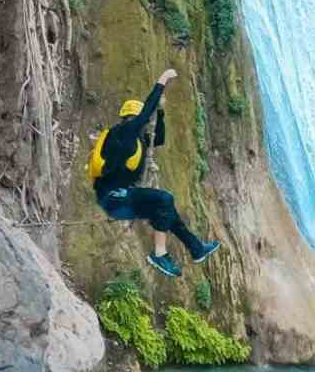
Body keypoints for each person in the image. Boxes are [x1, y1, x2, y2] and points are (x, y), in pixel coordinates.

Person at [89, 68, 220, 277]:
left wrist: (160, 113)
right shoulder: (122, 134)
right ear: (130, 118)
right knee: (165, 199)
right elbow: (146, 109)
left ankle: (196, 249)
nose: (141, 122)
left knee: (170, 215)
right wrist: (163, 80)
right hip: (114, 199)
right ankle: (159, 254)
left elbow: (159, 139)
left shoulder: (135, 139)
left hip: (121, 199)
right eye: (137, 118)